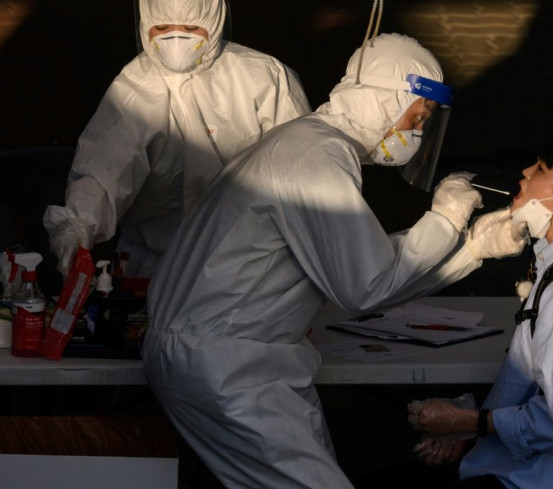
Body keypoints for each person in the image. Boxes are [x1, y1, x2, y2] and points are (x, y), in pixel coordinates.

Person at [142, 33, 528, 489]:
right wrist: (445, 219)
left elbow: (365, 268)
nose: (417, 132)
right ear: (385, 100)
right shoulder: (317, 157)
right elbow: (365, 288)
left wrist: (470, 251)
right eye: (418, 115)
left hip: (237, 357)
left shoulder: (309, 145)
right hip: (227, 365)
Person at [407, 128, 553, 489]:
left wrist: (465, 422)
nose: (526, 173)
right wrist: (474, 428)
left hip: (536, 481)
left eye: (542, 169)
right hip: (526, 466)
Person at [43, 0, 310, 278]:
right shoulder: (134, 86)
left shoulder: (262, 76)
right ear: (145, 24)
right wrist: (78, 221)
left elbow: (300, 168)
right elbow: (106, 165)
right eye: (161, 27)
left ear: (214, 22)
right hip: (156, 266)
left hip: (250, 266)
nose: (176, 38)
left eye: (191, 27)